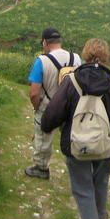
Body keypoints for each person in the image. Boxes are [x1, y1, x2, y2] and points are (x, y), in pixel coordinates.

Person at [42, 38, 110, 219]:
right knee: (101, 182)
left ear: (85, 54)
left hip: (76, 143)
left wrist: (47, 126)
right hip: (105, 145)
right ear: (106, 57)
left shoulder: (72, 81)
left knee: (82, 188)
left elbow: (53, 113)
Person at [25, 28, 82, 179]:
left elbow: (34, 92)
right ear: (60, 41)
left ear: (45, 42)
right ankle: (77, 168)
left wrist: (37, 107)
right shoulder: (76, 58)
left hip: (48, 106)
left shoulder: (42, 61)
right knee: (72, 136)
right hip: (70, 106)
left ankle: (41, 167)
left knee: (43, 137)